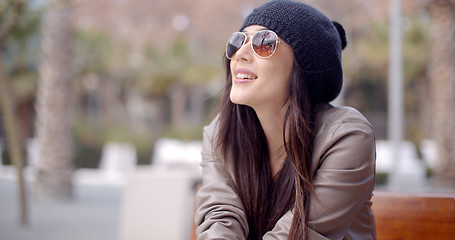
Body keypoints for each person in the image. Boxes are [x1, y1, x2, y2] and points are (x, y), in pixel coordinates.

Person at [194, 0, 376, 239]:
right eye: (239, 40)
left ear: (303, 67)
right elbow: (220, 216)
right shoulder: (220, 133)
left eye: (264, 42)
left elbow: (299, 233)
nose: (240, 54)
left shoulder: (347, 136)